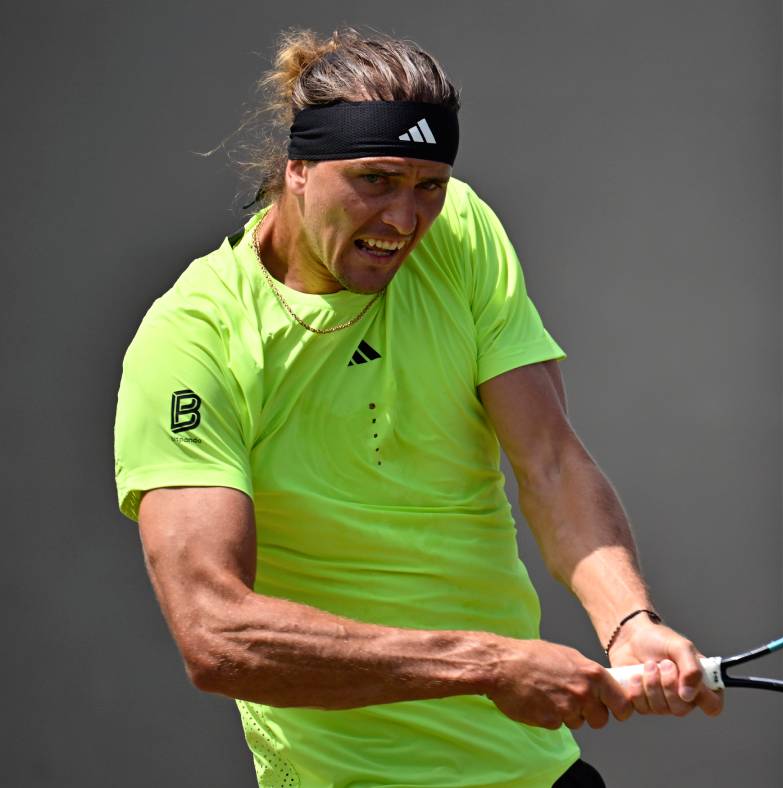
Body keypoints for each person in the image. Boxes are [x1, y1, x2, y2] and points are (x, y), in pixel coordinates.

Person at [113, 28, 721, 788]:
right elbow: (216, 633)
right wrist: (487, 664)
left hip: (537, 774)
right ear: (297, 169)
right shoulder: (192, 341)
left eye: (429, 184)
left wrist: (629, 622)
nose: (405, 219)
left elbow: (550, 461)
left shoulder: (459, 231)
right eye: (376, 179)